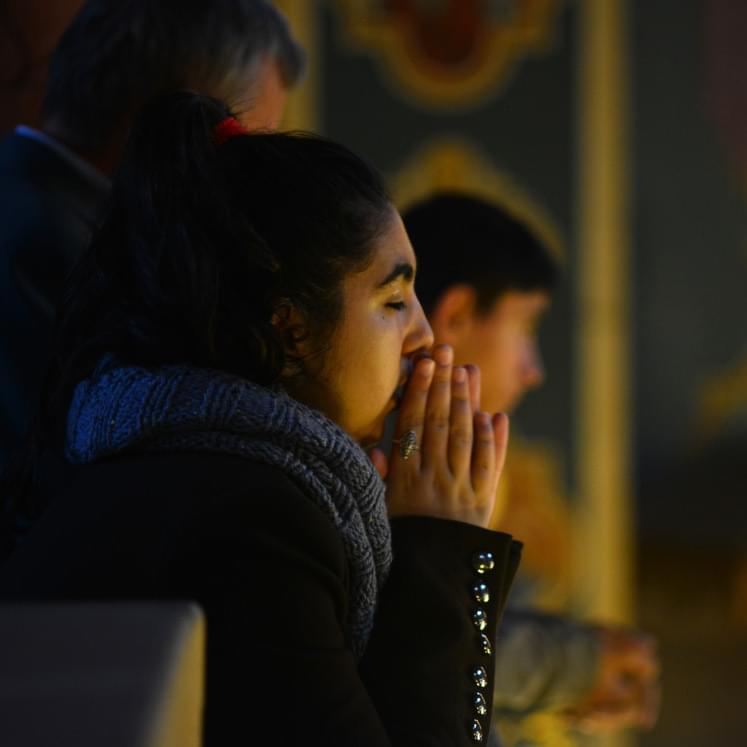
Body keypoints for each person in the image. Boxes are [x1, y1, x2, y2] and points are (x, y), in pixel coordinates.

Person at [0, 92, 522, 745]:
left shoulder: (191, 473)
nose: (425, 337)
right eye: (393, 299)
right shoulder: (253, 520)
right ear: (290, 327)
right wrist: (442, 550)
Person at [0, 0, 304, 467]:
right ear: (179, 117)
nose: (243, 183)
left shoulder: (34, 200)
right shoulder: (54, 249)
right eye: (241, 145)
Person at [403, 193, 660, 741]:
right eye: (528, 326)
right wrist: (575, 666)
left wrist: (578, 664)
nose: (533, 369)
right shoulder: (397, 458)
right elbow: (417, 635)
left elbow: (460, 632)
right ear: (457, 314)